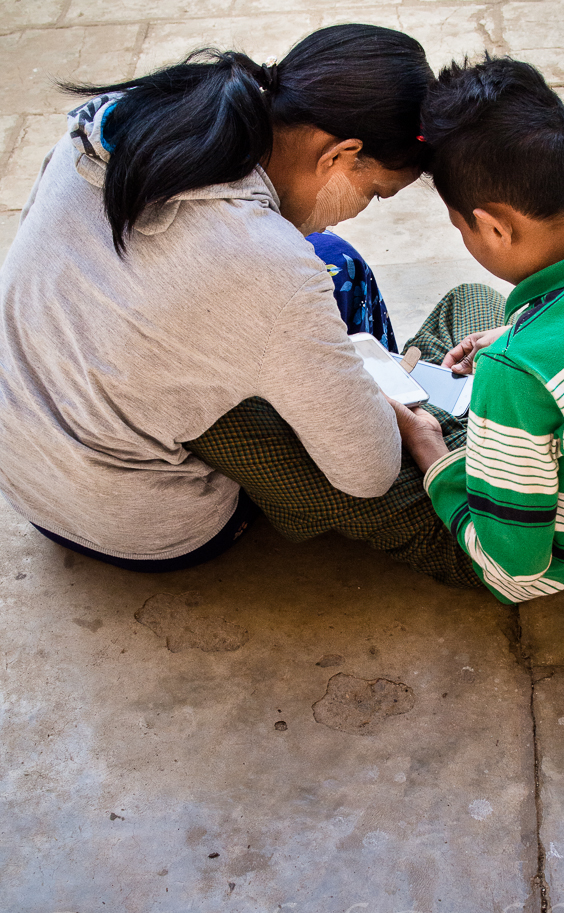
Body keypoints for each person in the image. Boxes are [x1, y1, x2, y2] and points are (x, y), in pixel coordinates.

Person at [0, 25, 434, 572]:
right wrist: (379, 413)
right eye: (373, 192)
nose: (362, 208)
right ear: (340, 155)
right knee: (333, 269)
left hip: (22, 476)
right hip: (146, 527)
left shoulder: (117, 120)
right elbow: (368, 474)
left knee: (326, 263)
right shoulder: (270, 267)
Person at [392, 55, 564, 603]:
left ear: (493, 226)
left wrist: (431, 454)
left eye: (460, 227)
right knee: (471, 303)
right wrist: (521, 333)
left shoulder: (516, 373)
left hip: (544, 564)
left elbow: (514, 570)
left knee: (342, 453)